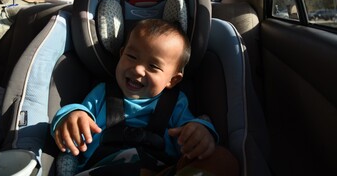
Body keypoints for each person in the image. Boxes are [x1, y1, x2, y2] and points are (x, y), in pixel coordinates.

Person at [51, 18, 239, 175]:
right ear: (121, 53)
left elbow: (189, 129)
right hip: (103, 169)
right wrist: (71, 116)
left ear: (172, 80)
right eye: (131, 57)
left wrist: (200, 131)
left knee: (223, 159)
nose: (138, 69)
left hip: (159, 170)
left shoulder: (176, 103)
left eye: (153, 67)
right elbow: (80, 113)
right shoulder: (102, 93)